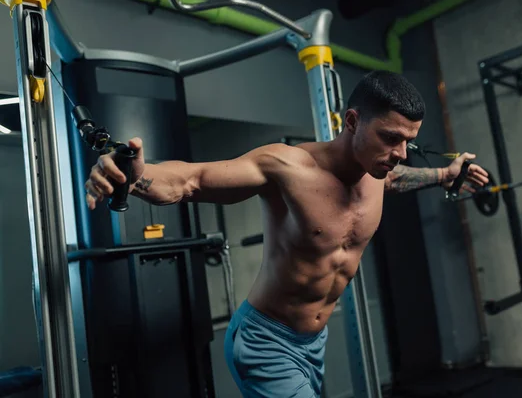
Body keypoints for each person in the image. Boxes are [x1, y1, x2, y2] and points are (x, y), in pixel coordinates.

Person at [84, 70, 488, 397]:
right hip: (265, 341)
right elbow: (192, 179)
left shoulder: (377, 169)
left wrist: (441, 175)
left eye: (408, 142)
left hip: (313, 343)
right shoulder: (287, 167)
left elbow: (396, 177)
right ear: (351, 121)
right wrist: (137, 177)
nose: (399, 152)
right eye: (391, 137)